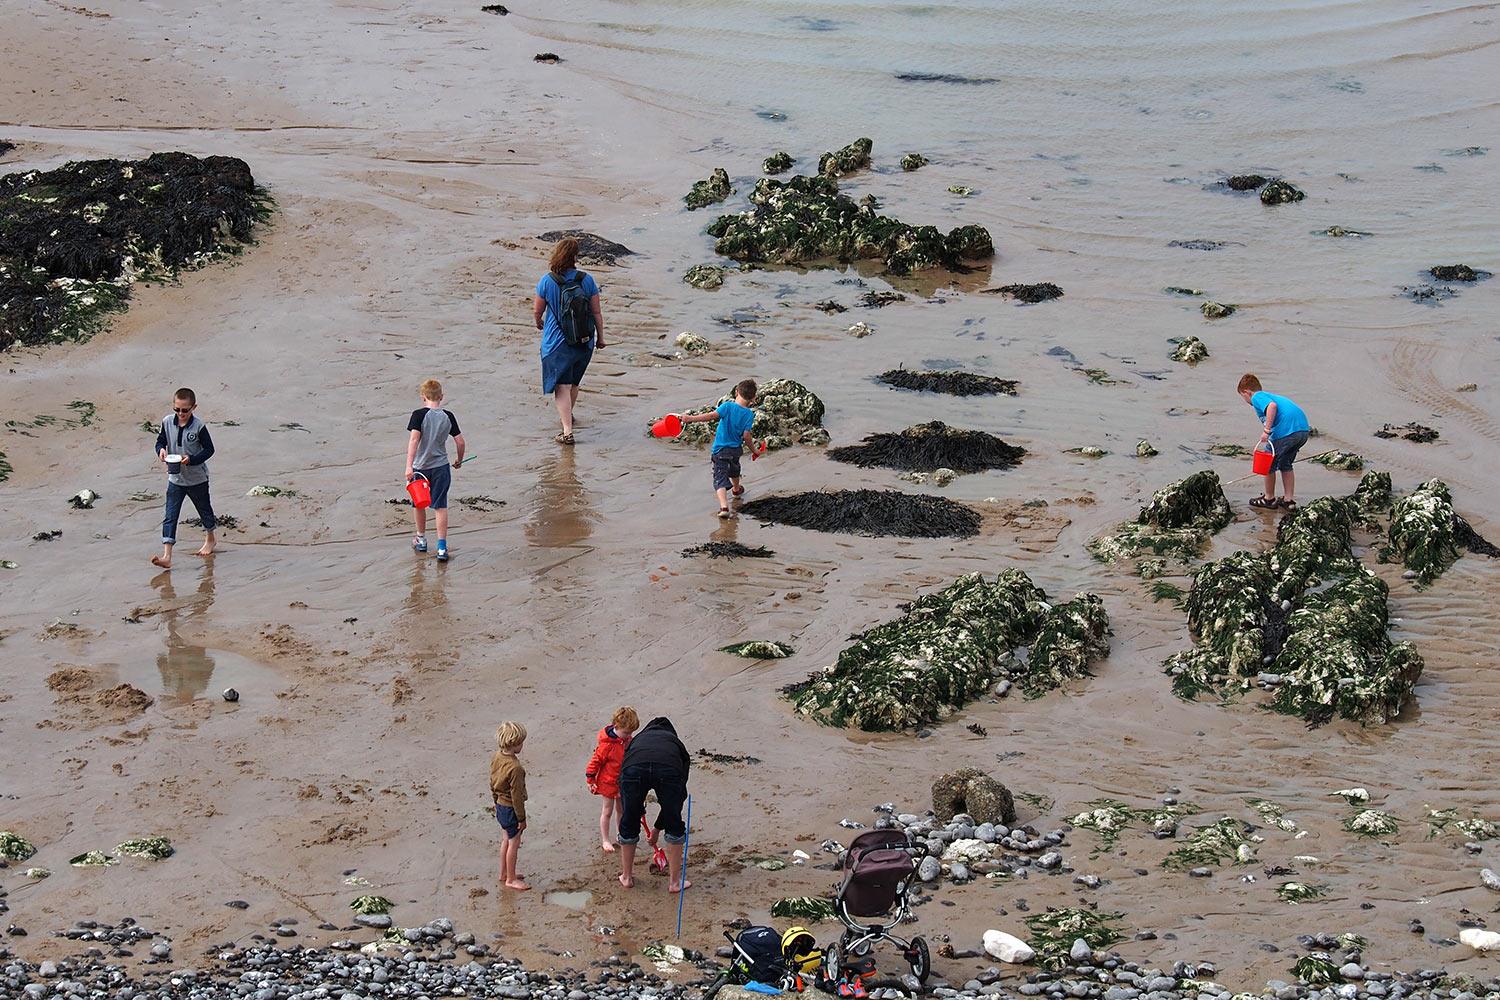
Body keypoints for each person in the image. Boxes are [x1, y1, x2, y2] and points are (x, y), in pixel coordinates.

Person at [533, 236, 605, 445]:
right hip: (584, 341)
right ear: (575, 256)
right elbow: (596, 312)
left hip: (557, 343)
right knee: (574, 383)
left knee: (562, 387)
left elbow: (538, 311)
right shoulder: (586, 279)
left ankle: (567, 431)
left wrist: (539, 322)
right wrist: (601, 337)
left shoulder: (548, 280)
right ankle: (569, 417)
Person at [617, 716, 691, 892]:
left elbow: (623, 778)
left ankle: (626, 877)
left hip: (634, 768)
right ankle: (674, 883)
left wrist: (635, 809)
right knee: (674, 822)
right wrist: (659, 827)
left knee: (628, 820)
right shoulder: (675, 744)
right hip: (668, 768)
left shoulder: (637, 741)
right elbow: (677, 799)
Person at [152, 387, 217, 569]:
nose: (181, 413)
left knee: (204, 510)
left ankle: (210, 538)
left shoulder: (199, 427)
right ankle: (167, 556)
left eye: (185, 410)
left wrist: (192, 460)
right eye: (177, 409)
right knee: (170, 516)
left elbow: (209, 450)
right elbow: (160, 441)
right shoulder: (166, 422)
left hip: (197, 479)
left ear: (193, 407)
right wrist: (161, 451)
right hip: (175, 479)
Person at [678, 378, 759, 518]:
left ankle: (724, 507)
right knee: (735, 469)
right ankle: (736, 490)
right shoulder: (749, 414)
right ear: (753, 399)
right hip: (735, 450)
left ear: (736, 392)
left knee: (719, 477)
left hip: (720, 450)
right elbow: (746, 436)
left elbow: (711, 416)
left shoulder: (727, 406)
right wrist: (755, 450)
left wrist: (690, 418)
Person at [405, 378, 465, 562]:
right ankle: (441, 547)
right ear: (441, 396)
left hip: (421, 468)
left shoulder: (418, 415)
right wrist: (459, 460)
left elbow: (414, 440)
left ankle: (421, 539)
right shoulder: (448, 416)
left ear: (423, 397)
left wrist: (409, 466)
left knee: (419, 503)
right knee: (440, 506)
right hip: (441, 467)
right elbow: (460, 442)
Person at [1238, 373, 1310, 512]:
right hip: (1302, 431)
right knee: (1285, 464)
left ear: (1247, 392)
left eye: (1243, 396)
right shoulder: (1270, 395)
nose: (1245, 400)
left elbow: (1272, 407)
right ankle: (1289, 501)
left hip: (1286, 431)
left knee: (1268, 465)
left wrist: (1267, 430)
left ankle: (1269, 498)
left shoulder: (1257, 396)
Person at [585, 706, 639, 853]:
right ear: (616, 727)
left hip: (622, 782)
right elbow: (595, 762)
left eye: (631, 733)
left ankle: (619, 834)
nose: (628, 735)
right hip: (608, 783)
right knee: (607, 811)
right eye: (626, 732)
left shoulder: (628, 741)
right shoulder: (607, 745)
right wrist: (590, 780)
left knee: (621, 810)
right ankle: (605, 839)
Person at [489, 721, 530, 891]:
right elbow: (517, 797)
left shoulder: (497, 757)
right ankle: (511, 879)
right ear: (514, 743)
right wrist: (522, 818)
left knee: (506, 839)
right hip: (511, 809)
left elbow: (492, 780)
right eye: (521, 742)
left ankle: (504, 873)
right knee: (514, 842)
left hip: (499, 805)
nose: (522, 745)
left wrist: (495, 801)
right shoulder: (515, 768)